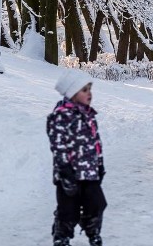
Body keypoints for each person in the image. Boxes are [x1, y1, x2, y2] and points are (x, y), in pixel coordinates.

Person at [47, 69, 106, 246]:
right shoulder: (60, 116)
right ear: (72, 93)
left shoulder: (89, 114)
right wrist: (65, 171)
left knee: (96, 204)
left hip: (90, 172)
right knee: (68, 209)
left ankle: (93, 231)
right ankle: (61, 235)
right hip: (69, 174)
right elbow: (58, 146)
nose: (89, 93)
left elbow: (96, 141)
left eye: (89, 89)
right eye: (84, 90)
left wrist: (99, 163)